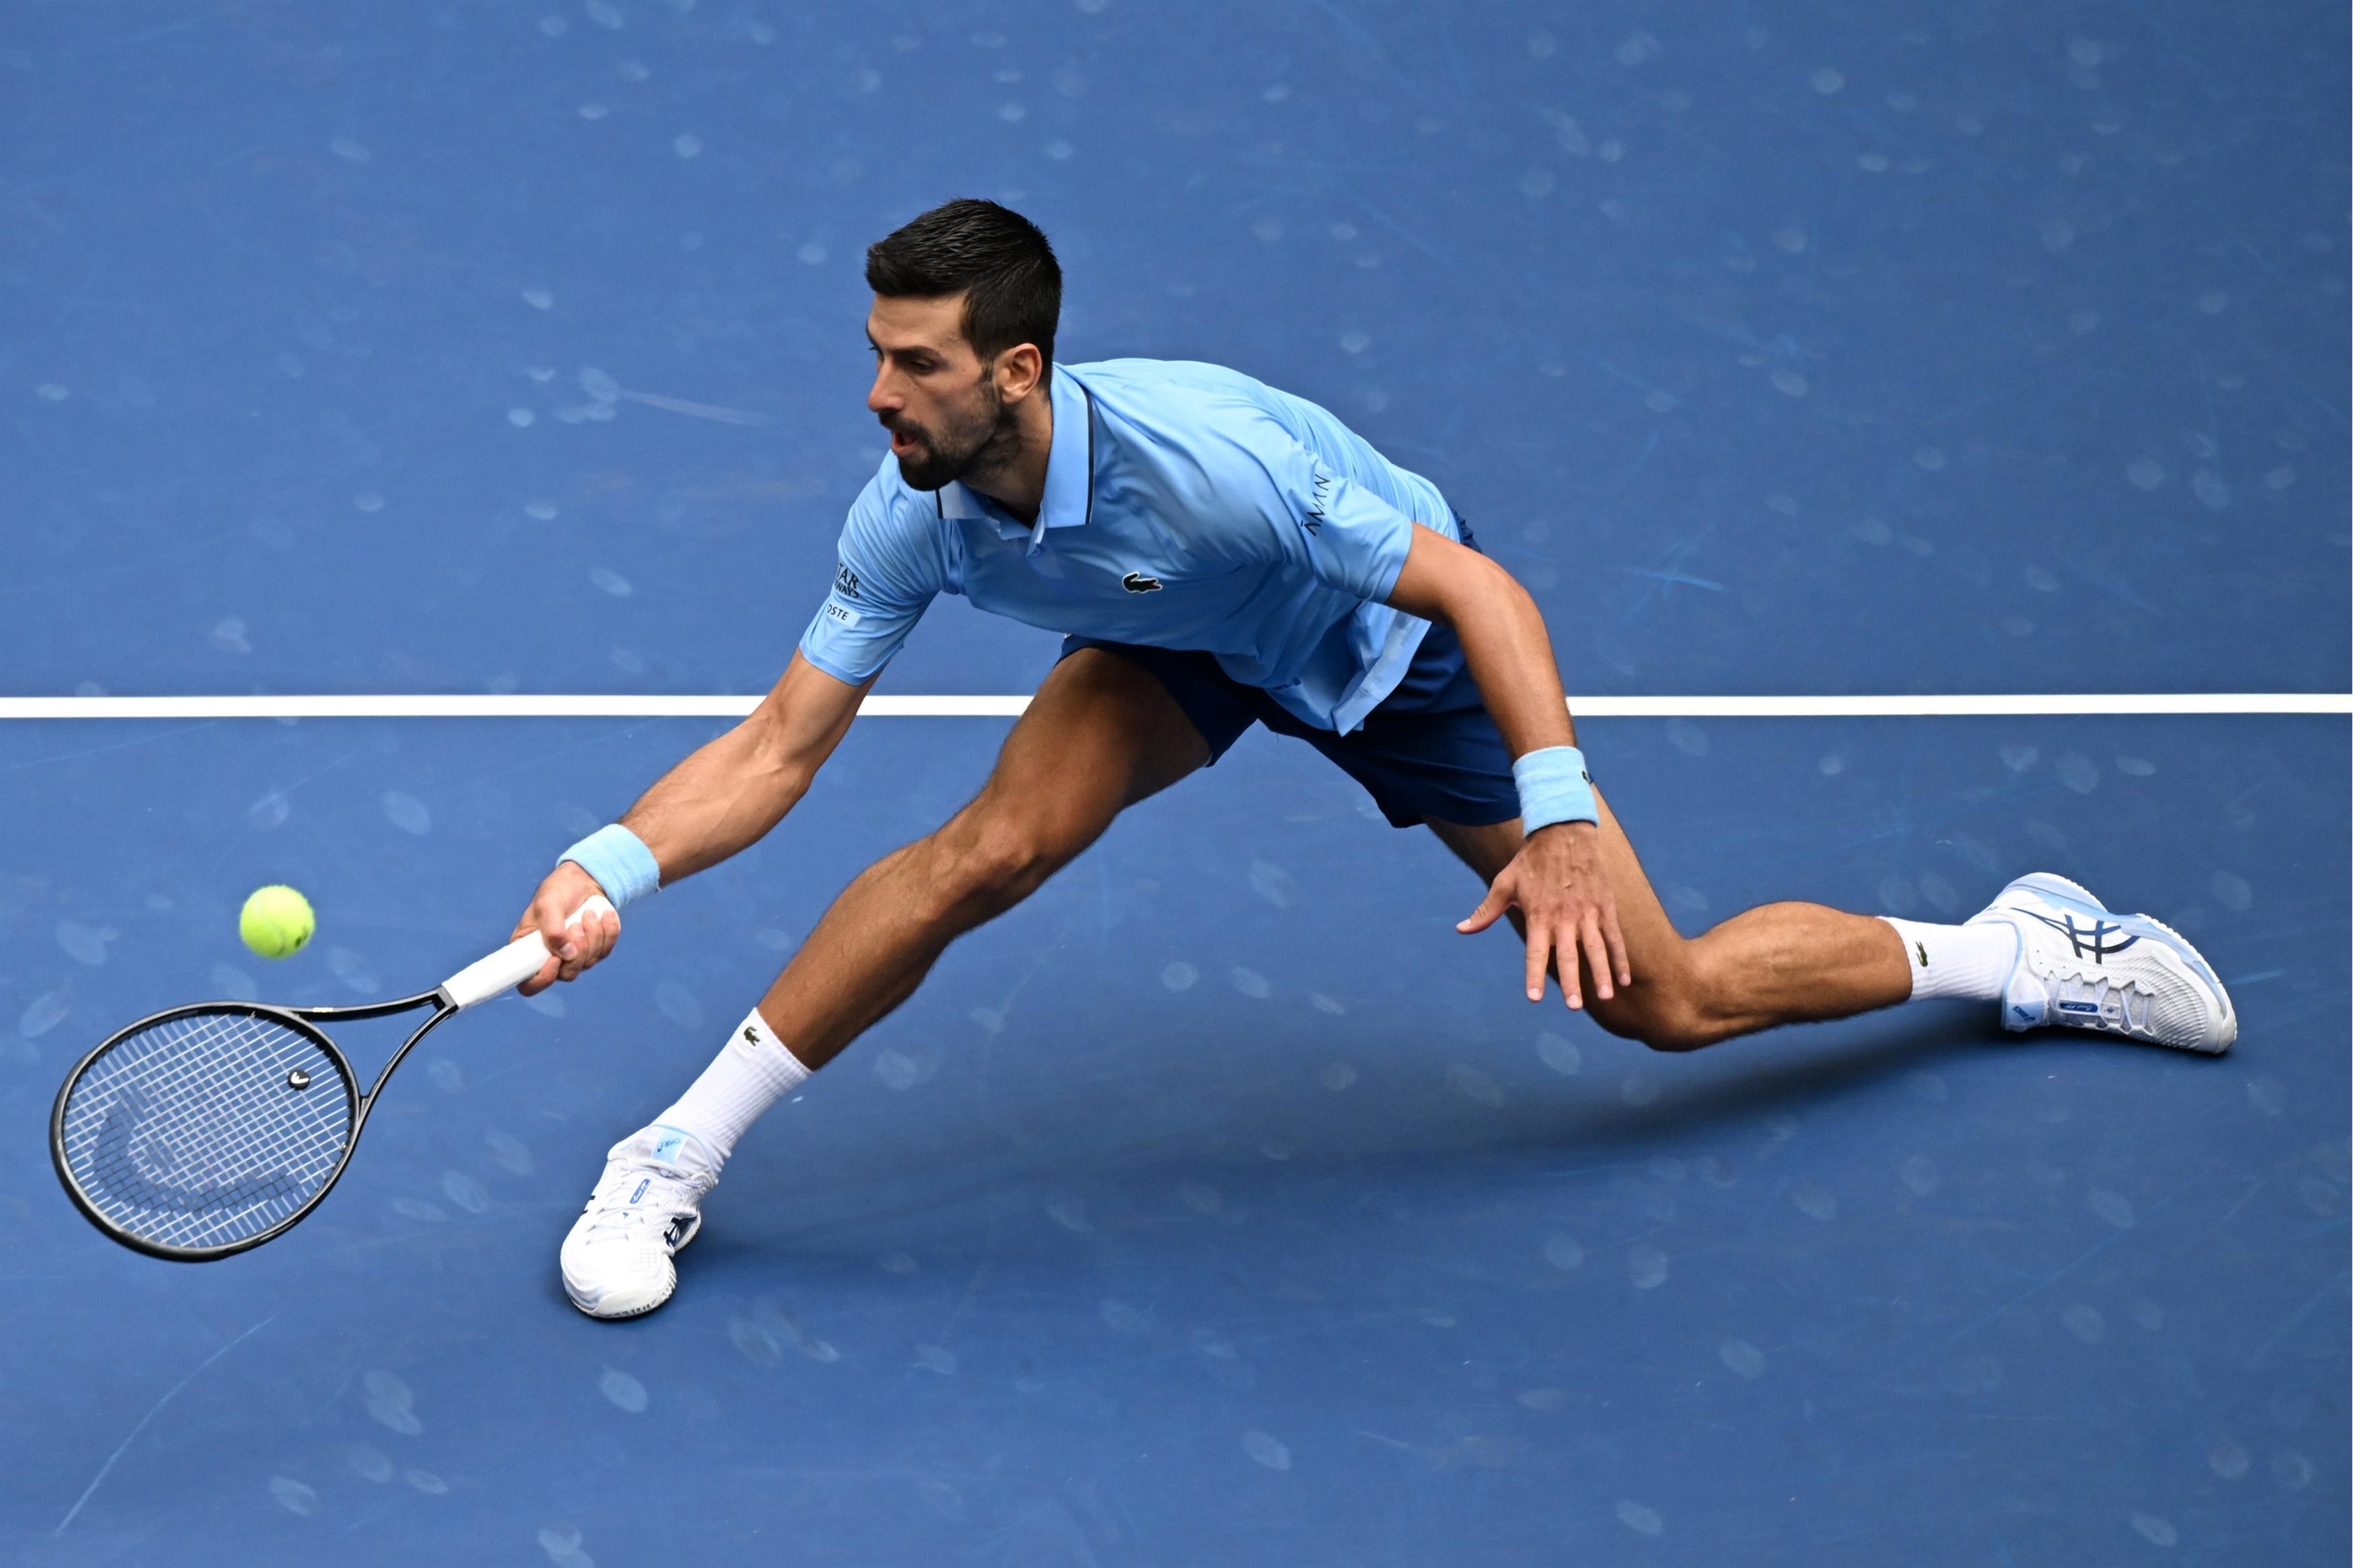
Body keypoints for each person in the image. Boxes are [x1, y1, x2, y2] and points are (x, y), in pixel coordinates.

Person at [515, 199, 2236, 1321]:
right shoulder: (914, 511)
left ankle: (2020, 947)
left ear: (1016, 372)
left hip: (1385, 643)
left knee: (1669, 999)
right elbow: (777, 744)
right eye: (875, 357)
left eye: (914, 366)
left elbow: (1477, 585)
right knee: (988, 850)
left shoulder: (1207, 472)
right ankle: (672, 1151)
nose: (878, 398)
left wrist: (1553, 816)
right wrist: (610, 867)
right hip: (1181, 640)